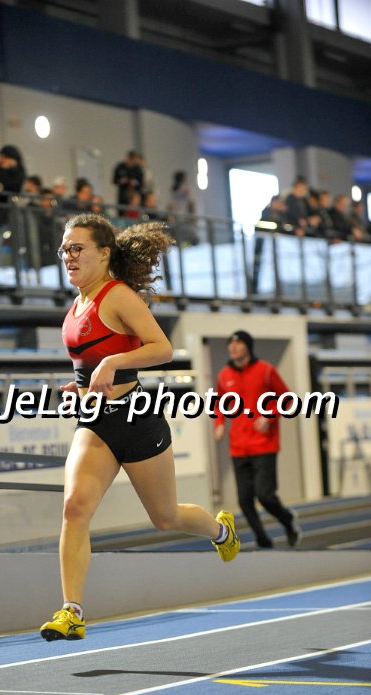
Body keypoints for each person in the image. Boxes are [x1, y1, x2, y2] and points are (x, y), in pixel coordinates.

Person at [40, 213, 239, 642]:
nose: (68, 256)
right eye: (64, 249)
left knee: (165, 517)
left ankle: (221, 530)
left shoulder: (118, 296)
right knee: (74, 507)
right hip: (95, 421)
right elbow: (89, 363)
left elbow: (162, 349)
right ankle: (71, 611)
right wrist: (80, 386)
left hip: (136, 417)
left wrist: (113, 362)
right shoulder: (76, 304)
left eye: (77, 248)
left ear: (104, 253)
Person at [214, 330, 302, 550]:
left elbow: (287, 399)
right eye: (230, 343)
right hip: (238, 446)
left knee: (265, 496)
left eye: (238, 343)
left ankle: (288, 520)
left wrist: (269, 416)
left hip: (264, 445)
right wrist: (219, 424)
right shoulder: (224, 375)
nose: (233, 347)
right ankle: (263, 539)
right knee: (244, 500)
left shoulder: (266, 371)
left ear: (248, 346)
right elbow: (219, 404)